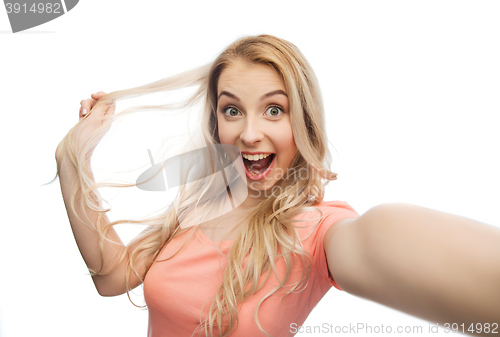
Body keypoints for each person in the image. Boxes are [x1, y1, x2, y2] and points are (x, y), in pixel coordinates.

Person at [55, 35, 500, 337]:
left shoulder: (318, 230)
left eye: (274, 110)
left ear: (303, 121)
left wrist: (386, 230)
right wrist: (71, 159)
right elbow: (111, 277)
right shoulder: (196, 209)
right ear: (216, 122)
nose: (250, 133)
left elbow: (374, 241)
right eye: (232, 111)